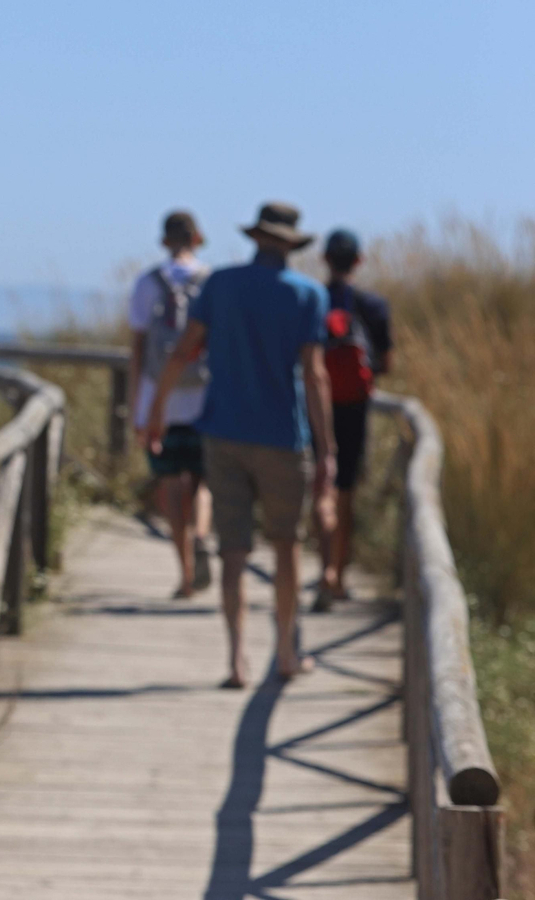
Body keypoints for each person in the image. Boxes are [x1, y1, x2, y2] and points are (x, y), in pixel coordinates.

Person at [144, 202, 336, 688]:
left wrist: (157, 412)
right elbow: (314, 376)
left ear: (255, 238)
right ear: (291, 244)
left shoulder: (221, 285)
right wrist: (327, 448)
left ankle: (236, 661)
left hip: (223, 433)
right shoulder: (308, 295)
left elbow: (184, 349)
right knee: (286, 545)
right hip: (282, 438)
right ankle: (287, 652)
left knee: (233, 551)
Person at [127, 210, 214, 598]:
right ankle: (202, 534)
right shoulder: (210, 282)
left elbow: (138, 349)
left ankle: (185, 573)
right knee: (201, 482)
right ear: (197, 238)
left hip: (158, 400)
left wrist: (137, 407)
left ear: (164, 240)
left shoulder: (148, 283)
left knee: (170, 486)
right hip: (204, 398)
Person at [313, 228, 393, 610]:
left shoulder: (312, 301)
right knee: (345, 490)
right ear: (358, 261)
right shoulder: (373, 306)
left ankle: (323, 568)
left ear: (325, 259)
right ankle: (338, 575)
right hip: (354, 410)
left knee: (320, 488)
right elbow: (385, 364)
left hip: (315, 406)